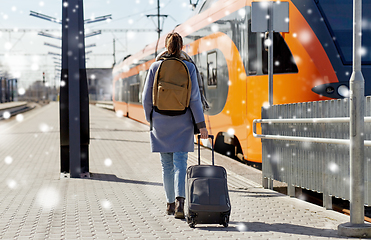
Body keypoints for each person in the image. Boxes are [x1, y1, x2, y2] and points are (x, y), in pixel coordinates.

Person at [142, 32, 208, 219]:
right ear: (181, 47)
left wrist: (151, 119)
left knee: (166, 165)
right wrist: (201, 125)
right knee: (181, 164)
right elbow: (195, 99)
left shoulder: (155, 66)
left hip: (161, 122)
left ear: (166, 46)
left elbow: (146, 98)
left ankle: (169, 205)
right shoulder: (189, 67)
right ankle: (181, 203)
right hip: (183, 121)